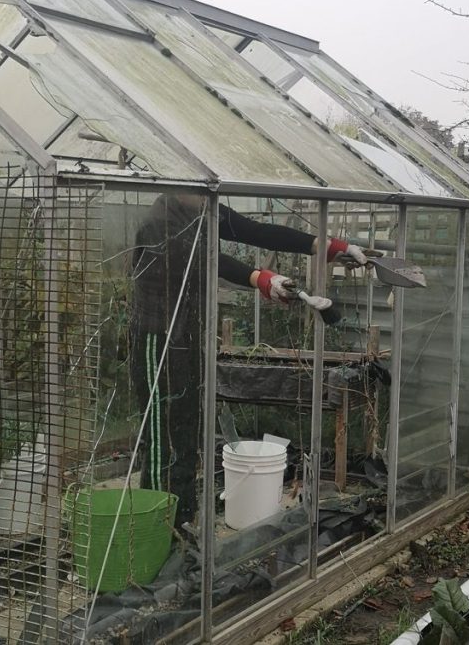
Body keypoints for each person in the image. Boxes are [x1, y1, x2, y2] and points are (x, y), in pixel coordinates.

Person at [129, 194, 367, 526]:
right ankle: (154, 525)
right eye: (199, 187)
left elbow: (254, 231)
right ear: (179, 184)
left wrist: (325, 245)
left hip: (188, 334)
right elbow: (207, 259)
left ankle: (181, 518)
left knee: (186, 428)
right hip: (157, 336)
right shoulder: (160, 223)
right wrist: (262, 279)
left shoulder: (202, 207)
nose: (206, 193)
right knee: (161, 438)